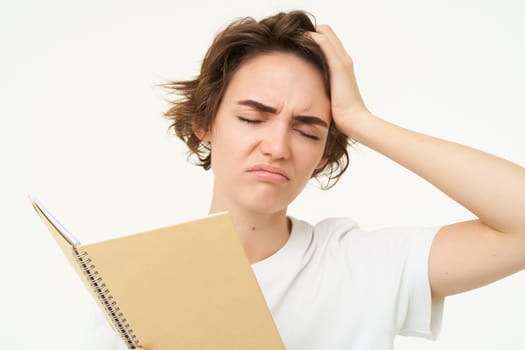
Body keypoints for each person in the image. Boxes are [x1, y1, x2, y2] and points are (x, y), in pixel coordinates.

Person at [95, 10, 525, 350]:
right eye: (252, 118)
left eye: (307, 130)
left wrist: (360, 120)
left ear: (323, 155)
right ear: (205, 123)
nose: (277, 146)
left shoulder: (364, 265)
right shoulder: (131, 285)